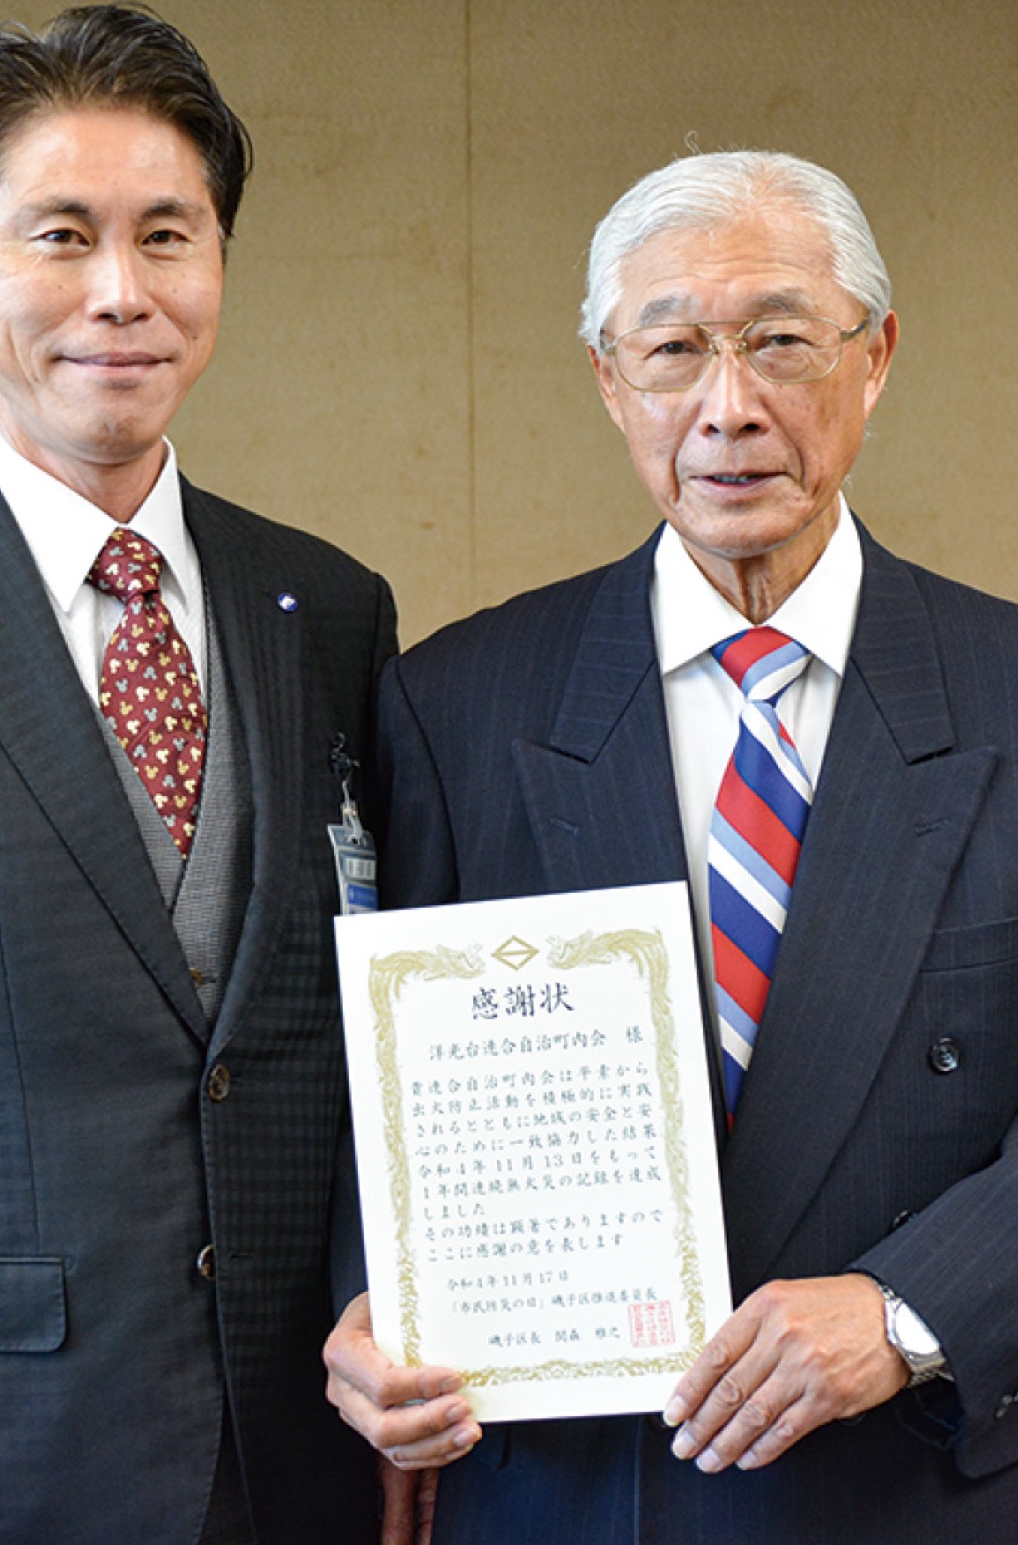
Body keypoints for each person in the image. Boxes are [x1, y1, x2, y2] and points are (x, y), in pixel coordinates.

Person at [324, 150, 1018, 1543]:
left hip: (918, 1483)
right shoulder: (459, 703)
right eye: (674, 350)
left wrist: (911, 1306)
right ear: (606, 378)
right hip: (569, 1493)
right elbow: (377, 1086)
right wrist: (371, 1307)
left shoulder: (1002, 685)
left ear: (874, 359)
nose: (729, 407)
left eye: (780, 341)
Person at [0, 4, 395, 1545]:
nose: (121, 295)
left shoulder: (329, 609)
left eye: (169, 235)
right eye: (60, 237)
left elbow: (365, 1060)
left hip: (296, 1463)